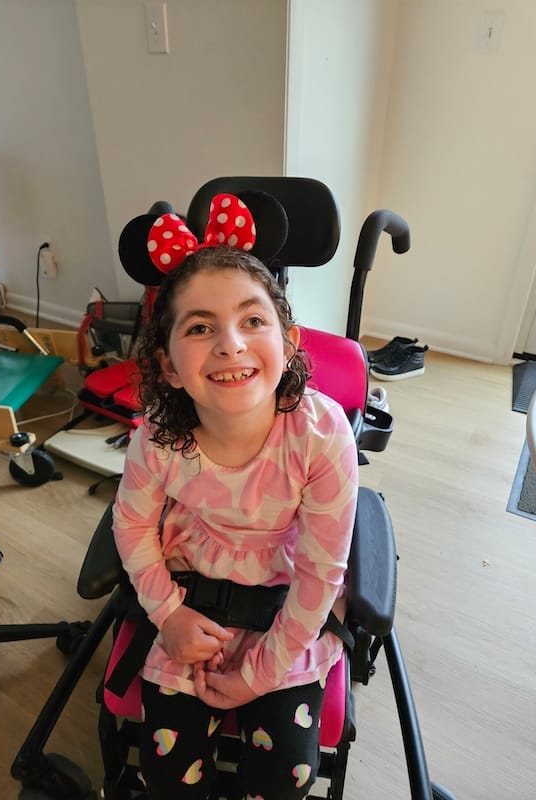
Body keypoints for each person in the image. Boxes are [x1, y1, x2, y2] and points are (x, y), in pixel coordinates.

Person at [113, 193, 358, 799]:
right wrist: (168, 614)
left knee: (288, 777)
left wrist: (263, 673)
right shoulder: (158, 439)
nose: (230, 344)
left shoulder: (321, 435)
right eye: (200, 328)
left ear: (289, 341)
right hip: (190, 598)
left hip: (289, 608)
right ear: (169, 366)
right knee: (167, 774)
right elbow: (132, 525)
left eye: (252, 321)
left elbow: (321, 571)